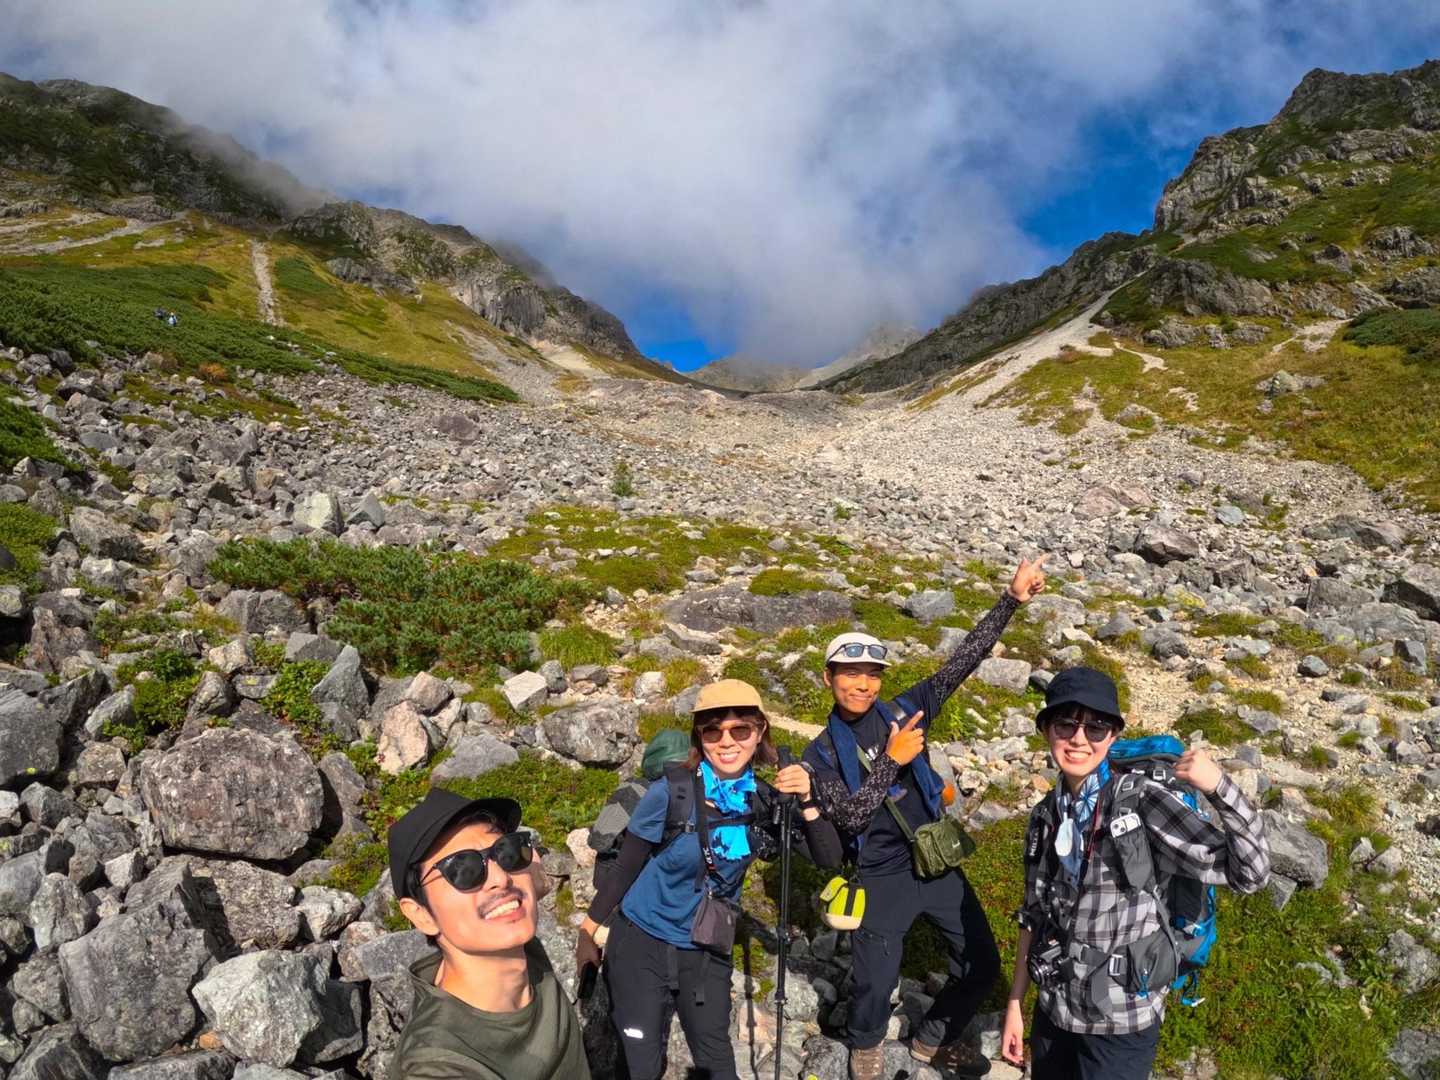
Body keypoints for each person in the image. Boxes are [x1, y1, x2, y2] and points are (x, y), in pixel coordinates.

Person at [804, 556, 1050, 1080]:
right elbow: (851, 819)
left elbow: (960, 664)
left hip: (934, 859)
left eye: (872, 675)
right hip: (879, 873)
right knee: (874, 981)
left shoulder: (904, 710)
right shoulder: (819, 754)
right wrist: (892, 760)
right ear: (829, 678)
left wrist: (1010, 601)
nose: (863, 685)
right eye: (851, 674)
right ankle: (865, 1044)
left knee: (982, 963)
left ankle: (931, 1038)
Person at [1000, 667, 1271, 1079]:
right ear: (1045, 730)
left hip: (1123, 1020)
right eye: (1065, 724)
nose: (1079, 738)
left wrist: (1219, 786)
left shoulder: (1141, 803)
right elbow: (1032, 914)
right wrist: (1015, 1004)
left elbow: (1251, 874)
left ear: (1113, 736)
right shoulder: (1045, 814)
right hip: (1054, 1011)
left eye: (1096, 727)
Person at [576, 679, 843, 1080]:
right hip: (640, 942)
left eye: (741, 729)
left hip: (705, 949)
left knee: (717, 1063)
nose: (727, 741)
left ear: (760, 732)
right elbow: (626, 866)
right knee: (640, 1066)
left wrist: (807, 799)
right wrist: (587, 930)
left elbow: (828, 858)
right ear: (699, 737)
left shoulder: (765, 801)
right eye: (713, 731)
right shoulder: (670, 793)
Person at [388, 788, 590, 1080]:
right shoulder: (437, 1065)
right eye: (462, 869)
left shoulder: (517, 943)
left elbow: (533, 879)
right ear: (421, 914)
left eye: (506, 852)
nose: (501, 878)